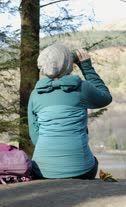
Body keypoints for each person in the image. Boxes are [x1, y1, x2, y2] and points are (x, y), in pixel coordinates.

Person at [28, 44, 112, 180]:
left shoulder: (35, 94)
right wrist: (86, 66)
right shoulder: (81, 88)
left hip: (42, 172)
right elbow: (106, 98)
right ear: (68, 65)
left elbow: (34, 134)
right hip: (82, 170)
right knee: (93, 162)